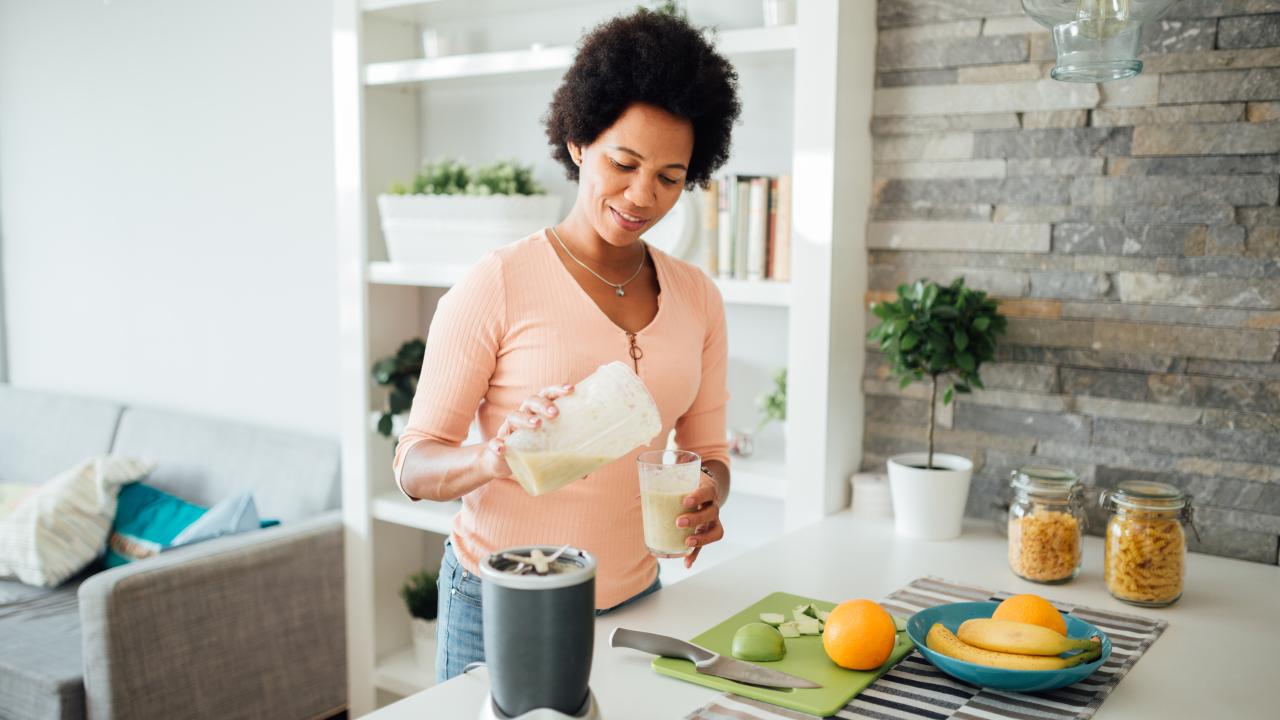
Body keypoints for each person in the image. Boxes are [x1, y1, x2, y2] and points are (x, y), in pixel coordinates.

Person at [392, 7, 742, 683]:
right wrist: (492, 458)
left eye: (670, 177)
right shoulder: (496, 283)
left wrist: (708, 496)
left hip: (639, 604)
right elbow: (414, 464)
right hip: (501, 601)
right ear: (580, 141)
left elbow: (713, 454)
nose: (642, 195)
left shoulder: (698, 297)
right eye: (624, 162)